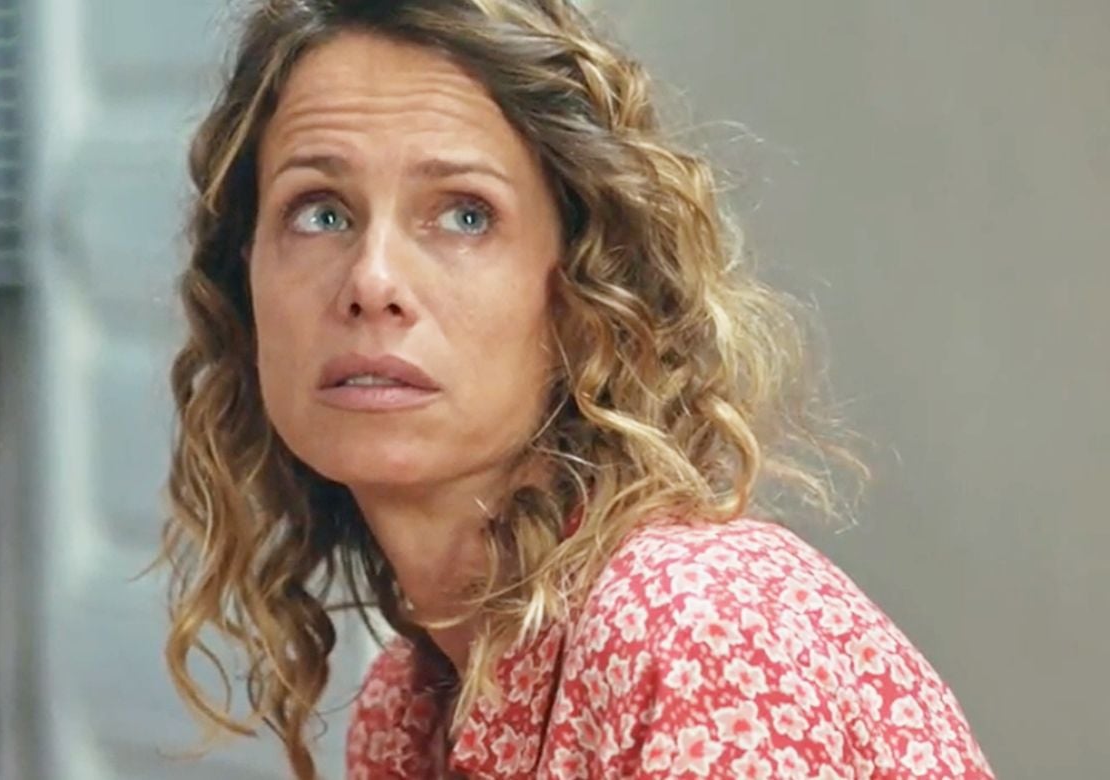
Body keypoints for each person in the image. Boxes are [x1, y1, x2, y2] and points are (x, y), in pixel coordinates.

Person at [159, 1, 994, 777]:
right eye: (321, 213)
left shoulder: (699, 630)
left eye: (465, 215)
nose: (372, 281)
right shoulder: (405, 709)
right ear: (246, 282)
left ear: (588, 288)